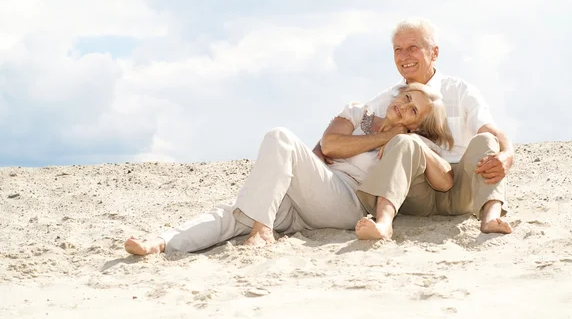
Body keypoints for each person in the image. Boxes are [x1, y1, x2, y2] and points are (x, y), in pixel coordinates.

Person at [124, 83, 454, 255]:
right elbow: (330, 146)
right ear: (399, 92)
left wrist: (401, 139)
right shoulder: (358, 112)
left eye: (414, 110)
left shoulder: (405, 144)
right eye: (407, 97)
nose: (404, 106)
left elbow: (444, 180)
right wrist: (383, 134)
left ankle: (263, 231)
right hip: (304, 194)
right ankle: (162, 242)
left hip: (345, 203)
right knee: (237, 212)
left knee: (280, 137)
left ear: (418, 123)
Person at [315, 18, 514, 240]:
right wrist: (319, 148)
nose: (404, 56)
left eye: (412, 48)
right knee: (405, 142)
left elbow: (492, 130)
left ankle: (490, 216)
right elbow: (356, 118)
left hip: (462, 185)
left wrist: (508, 154)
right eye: (397, 50)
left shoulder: (460, 90)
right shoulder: (393, 98)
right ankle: (383, 223)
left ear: (434, 53)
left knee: (486, 140)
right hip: (417, 190)